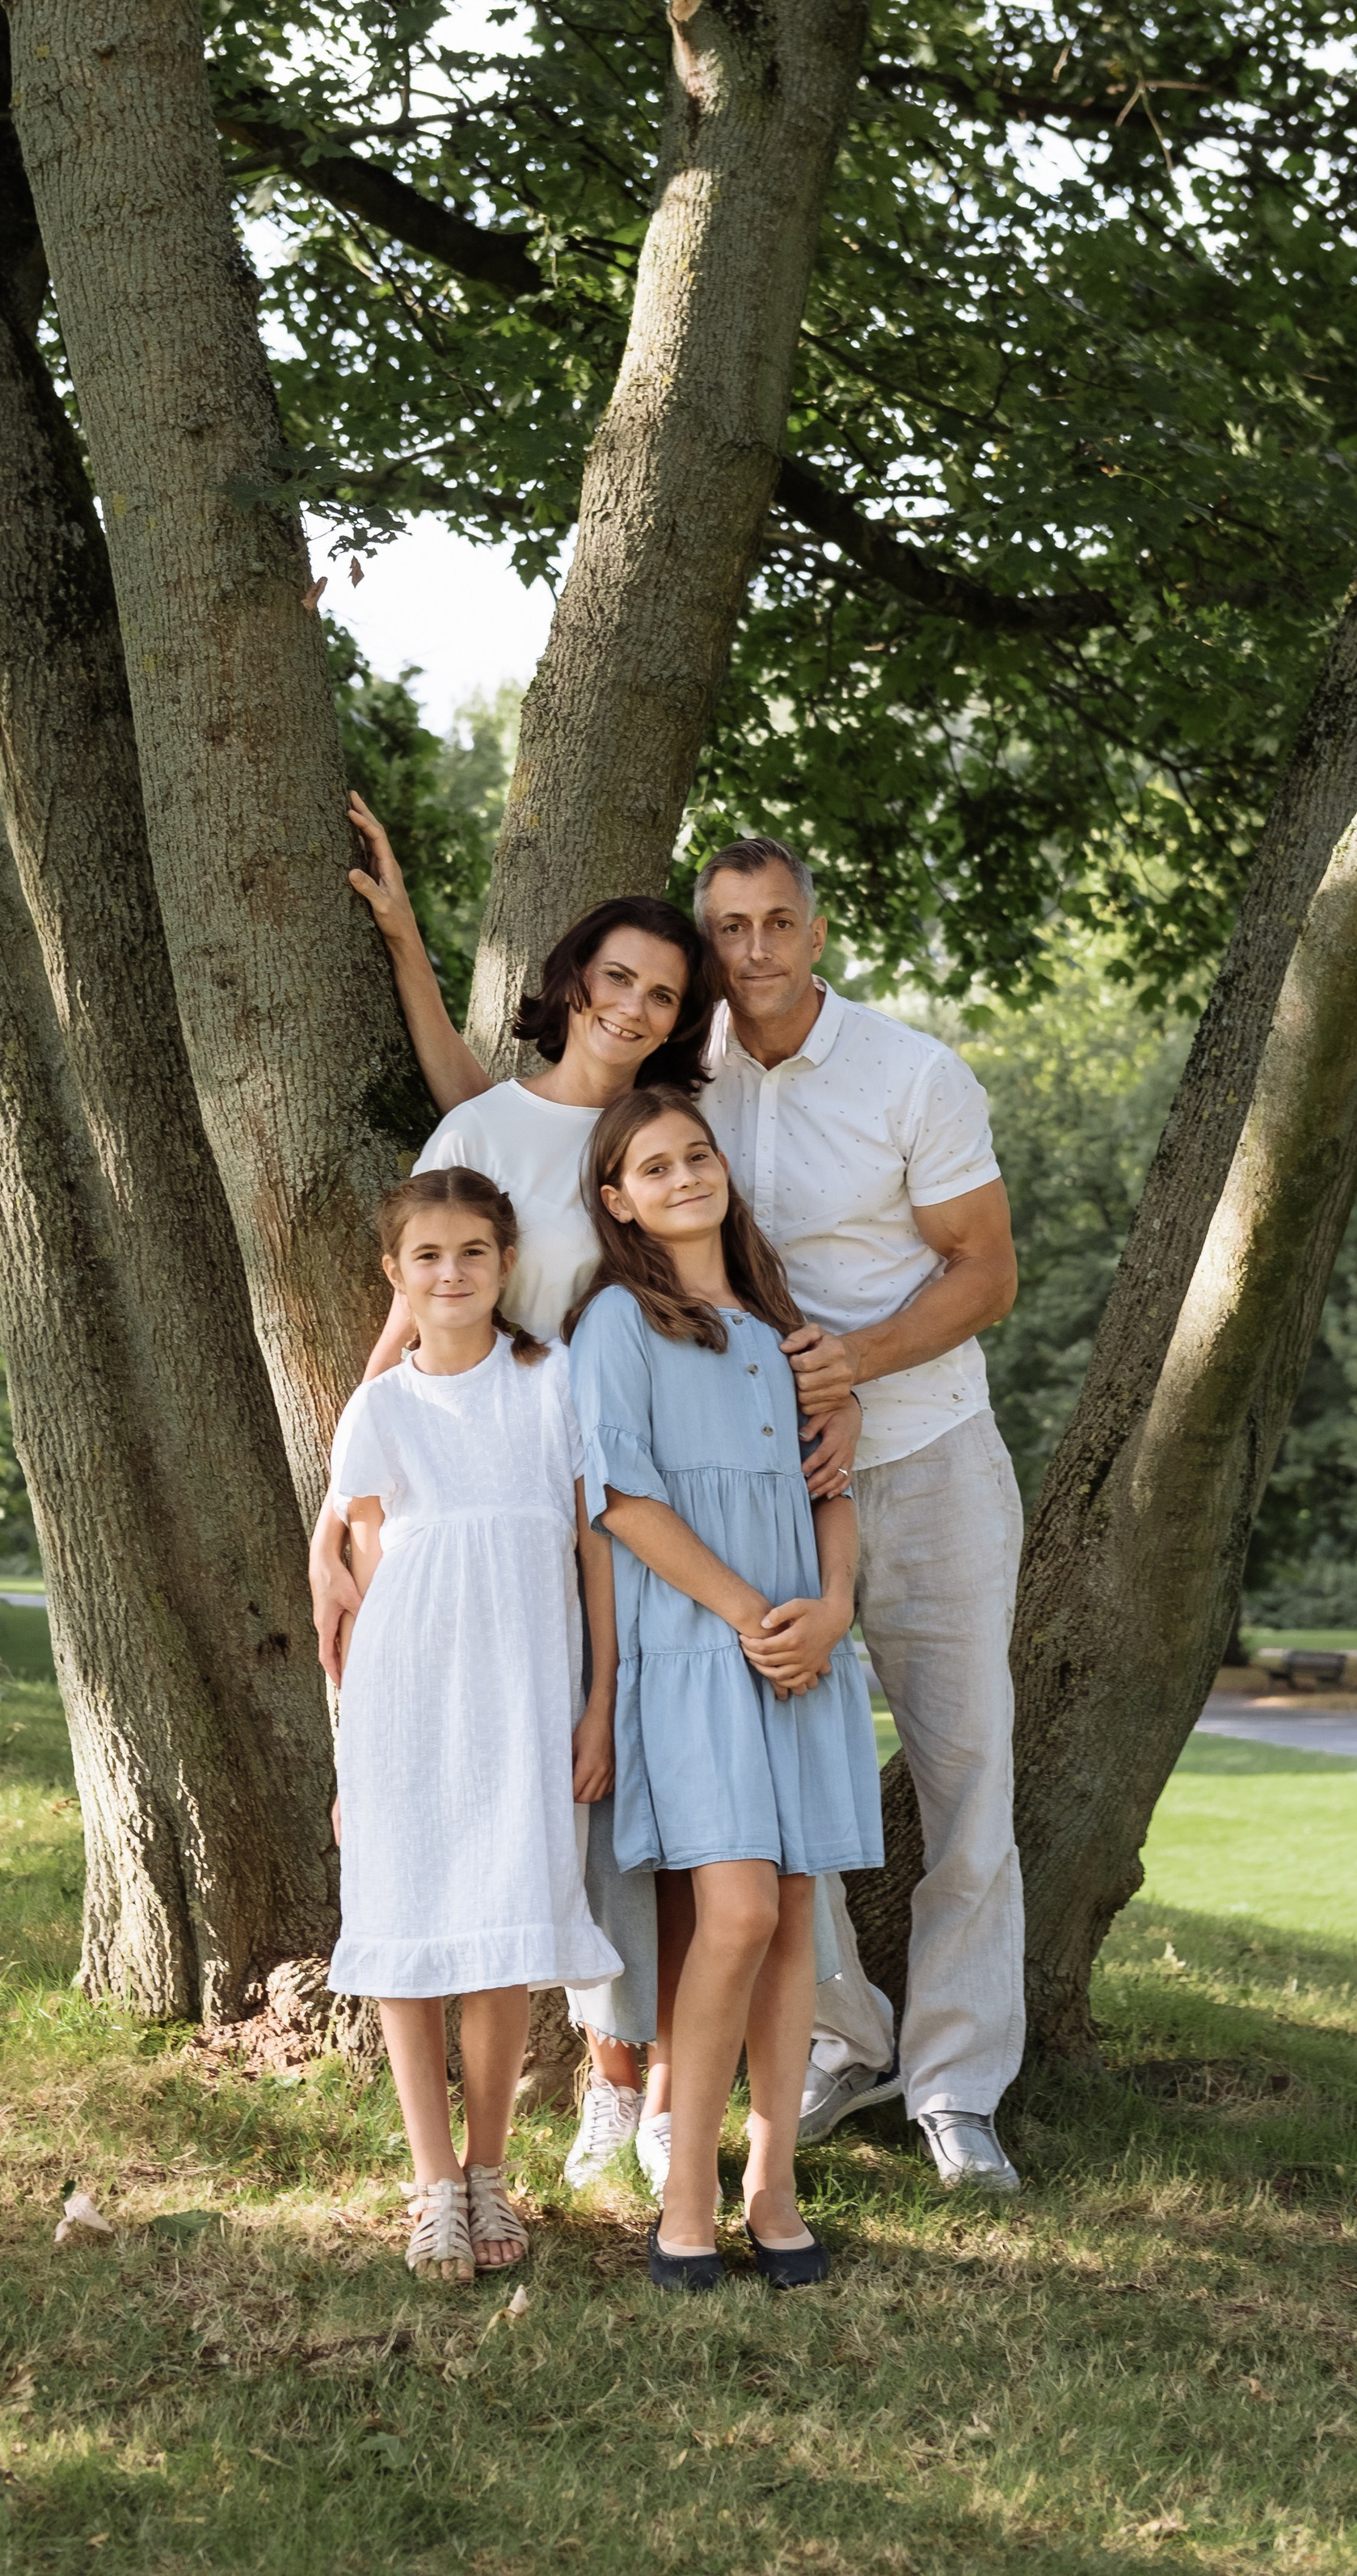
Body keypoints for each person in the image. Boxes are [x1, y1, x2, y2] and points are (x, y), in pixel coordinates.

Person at [314, 795, 856, 2195]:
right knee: (564, 1802)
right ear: (569, 985)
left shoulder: (651, 1137)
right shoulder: (488, 1126)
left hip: (625, 1489)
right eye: (615, 977)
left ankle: (678, 2091)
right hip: (505, 1491)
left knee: (666, 1802)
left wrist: (827, 1390)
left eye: (663, 994)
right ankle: (611, 2081)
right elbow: (426, 1296)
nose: (633, 1004)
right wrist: (341, 1503)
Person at [694, 836, 1026, 2195]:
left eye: (779, 922)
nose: (757, 949)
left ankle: (959, 2084)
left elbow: (987, 1270)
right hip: (767, 1483)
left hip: (929, 1452)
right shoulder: (678, 1079)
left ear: (816, 930)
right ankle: (845, 2039)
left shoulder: (912, 1071)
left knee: (967, 1780)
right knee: (797, 1791)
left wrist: (856, 1361)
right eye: (730, 927)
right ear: (705, 938)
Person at [567, 1088, 881, 2289]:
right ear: (619, 1200)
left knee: (797, 1912)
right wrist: (751, 1613)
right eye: (656, 1165)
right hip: (701, 1648)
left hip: (805, 1643)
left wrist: (833, 1605)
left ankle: (774, 2183)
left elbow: (832, 1487)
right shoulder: (618, 1326)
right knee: (738, 1910)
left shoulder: (784, 1327)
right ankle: (685, 2189)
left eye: (699, 1154)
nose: (686, 1174)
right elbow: (624, 1501)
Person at [326, 1166, 621, 2282]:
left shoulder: (552, 1383)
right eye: (429, 1256)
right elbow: (365, 1570)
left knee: (499, 1932)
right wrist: (354, 1747)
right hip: (407, 1696)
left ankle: (492, 2167)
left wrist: (599, 1700)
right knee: (409, 1935)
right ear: (395, 1274)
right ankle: (434, 2184)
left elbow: (594, 1549)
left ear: (505, 1264)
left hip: (527, 1694)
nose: (452, 1272)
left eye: (474, 1253)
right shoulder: (382, 1406)